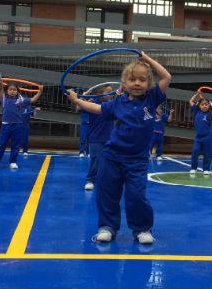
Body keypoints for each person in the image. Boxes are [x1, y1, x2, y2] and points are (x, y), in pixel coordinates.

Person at [66, 52, 171, 244]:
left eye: (142, 79)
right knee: (107, 192)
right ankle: (107, 227)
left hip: (137, 160)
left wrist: (147, 60)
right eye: (132, 79)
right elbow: (96, 109)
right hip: (112, 156)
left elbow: (166, 76)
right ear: (124, 83)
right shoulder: (117, 103)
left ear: (148, 83)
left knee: (137, 195)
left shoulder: (152, 98)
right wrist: (77, 101)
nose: (137, 83)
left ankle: (141, 229)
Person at [0, 83, 42, 169]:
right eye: (10, 89)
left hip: (17, 126)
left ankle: (13, 162)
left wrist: (40, 92)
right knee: (1, 144)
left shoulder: (21, 100)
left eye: (14, 90)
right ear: (6, 91)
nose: (12, 91)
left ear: (17, 91)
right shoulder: (4, 98)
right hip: (6, 125)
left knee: (15, 145)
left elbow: (33, 100)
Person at [83, 85, 115, 191]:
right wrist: (84, 97)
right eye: (108, 92)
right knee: (95, 160)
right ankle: (90, 180)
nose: (110, 94)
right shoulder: (92, 103)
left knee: (110, 161)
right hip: (96, 137)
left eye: (111, 92)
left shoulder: (111, 105)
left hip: (110, 138)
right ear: (100, 94)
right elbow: (78, 107)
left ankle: (106, 180)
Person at [188, 93, 212, 175]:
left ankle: (206, 169)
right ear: (199, 106)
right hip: (198, 137)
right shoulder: (196, 111)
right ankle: (193, 168)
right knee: (195, 151)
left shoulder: (211, 114)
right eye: (202, 104)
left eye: (206, 104)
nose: (204, 106)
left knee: (208, 153)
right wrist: (197, 94)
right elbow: (191, 101)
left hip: (208, 137)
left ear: (209, 106)